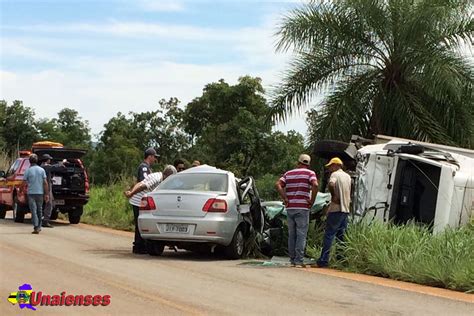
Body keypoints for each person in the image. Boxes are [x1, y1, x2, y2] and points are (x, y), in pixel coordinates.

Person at [275, 154, 318, 267]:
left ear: (298, 162)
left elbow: (278, 184)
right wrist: (312, 201)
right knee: (301, 234)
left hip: (290, 207)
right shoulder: (310, 173)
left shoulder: (288, 174)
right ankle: (299, 261)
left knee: (292, 234)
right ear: (308, 164)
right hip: (303, 208)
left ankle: (292, 260)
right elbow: (315, 184)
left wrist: (285, 198)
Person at [317, 157, 352, 268]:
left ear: (336, 165)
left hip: (336, 208)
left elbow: (331, 184)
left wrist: (334, 196)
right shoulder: (348, 176)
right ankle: (341, 260)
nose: (330, 168)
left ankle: (323, 260)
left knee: (329, 234)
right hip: (345, 209)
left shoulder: (335, 175)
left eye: (331, 166)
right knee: (341, 236)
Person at [128, 148, 159, 254]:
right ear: (149, 156)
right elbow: (143, 182)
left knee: (140, 222)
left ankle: (140, 245)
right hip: (138, 199)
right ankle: (138, 245)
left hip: (140, 199)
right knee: (139, 222)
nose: (155, 159)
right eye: (154, 157)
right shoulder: (144, 167)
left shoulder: (147, 167)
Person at [23, 154, 49, 234]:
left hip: (31, 193)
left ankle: (36, 226)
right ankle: (39, 226)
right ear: (37, 161)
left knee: (33, 211)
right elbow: (45, 183)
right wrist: (46, 194)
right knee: (39, 210)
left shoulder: (28, 170)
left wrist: (21, 190)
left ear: (29, 161)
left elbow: (24, 183)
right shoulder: (41, 170)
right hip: (40, 193)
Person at [40, 154, 66, 228]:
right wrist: (62, 163)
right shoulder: (45, 166)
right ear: (47, 160)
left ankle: (41, 219)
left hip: (43, 188)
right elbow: (55, 167)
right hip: (46, 188)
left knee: (45, 204)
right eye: (49, 159)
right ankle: (45, 220)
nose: (50, 160)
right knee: (49, 204)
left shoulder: (42, 166)